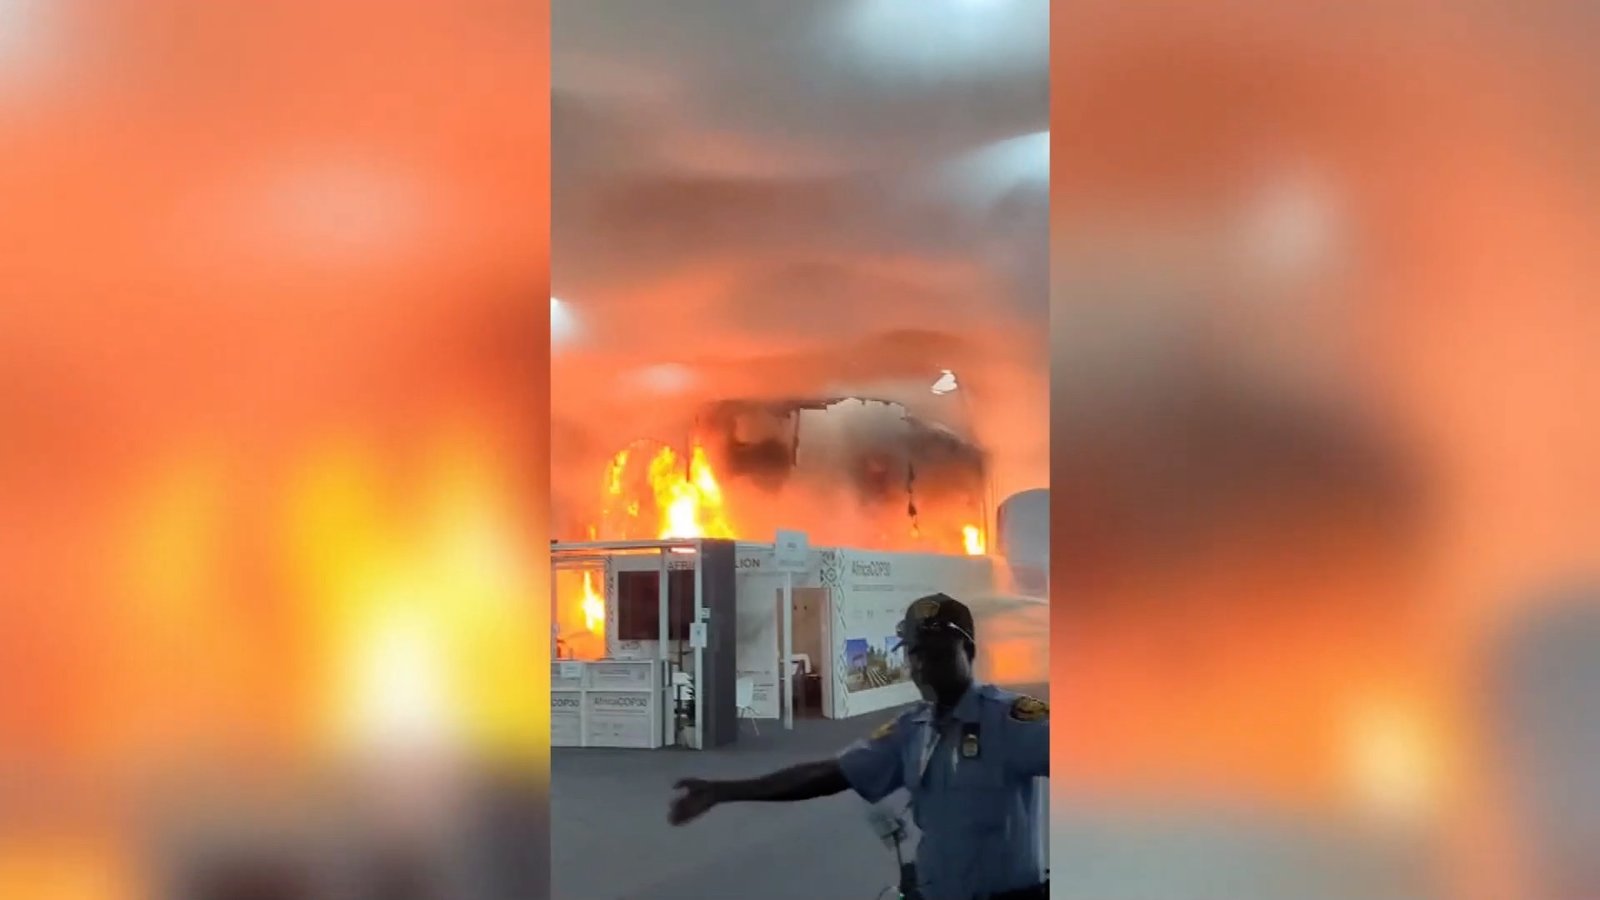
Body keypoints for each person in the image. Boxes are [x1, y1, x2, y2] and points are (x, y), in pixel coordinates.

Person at [668, 593, 1049, 900]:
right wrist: (725, 791)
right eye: (914, 653)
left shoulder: (1008, 719)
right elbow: (830, 773)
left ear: (970, 652)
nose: (922, 667)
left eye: (937, 654)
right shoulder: (911, 730)